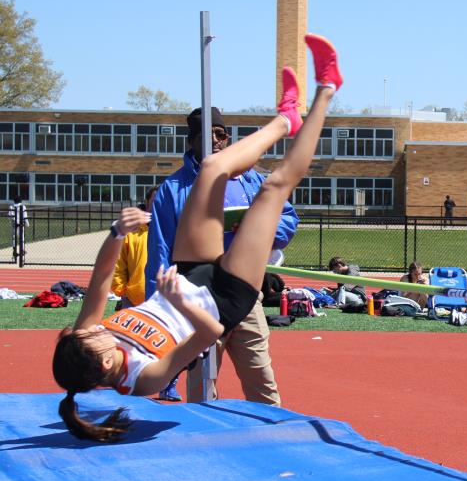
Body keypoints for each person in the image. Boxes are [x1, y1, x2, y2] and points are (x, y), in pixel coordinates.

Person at [51, 33, 341, 441]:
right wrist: (180, 300)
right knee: (274, 188)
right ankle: (327, 89)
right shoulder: (142, 379)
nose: (97, 330)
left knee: (211, 167)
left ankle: (286, 119)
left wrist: (116, 234)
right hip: (222, 300)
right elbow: (208, 335)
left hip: (187, 274)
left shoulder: (85, 338)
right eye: (95, 339)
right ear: (103, 366)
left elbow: (100, 281)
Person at [145, 96, 303, 405]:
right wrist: (159, 307)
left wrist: (255, 229)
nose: (217, 141)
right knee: (201, 383)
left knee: (261, 377)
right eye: (208, 135)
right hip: (199, 298)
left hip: (244, 294)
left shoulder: (252, 179)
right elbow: (160, 252)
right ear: (192, 141)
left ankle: (271, 428)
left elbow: (287, 220)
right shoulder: (173, 190)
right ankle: (201, 429)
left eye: (222, 134)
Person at [111, 186, 158, 309]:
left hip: (164, 302)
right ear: (147, 202)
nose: (159, 204)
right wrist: (122, 291)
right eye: (155, 200)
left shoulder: (173, 230)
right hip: (134, 300)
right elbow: (118, 263)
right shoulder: (131, 231)